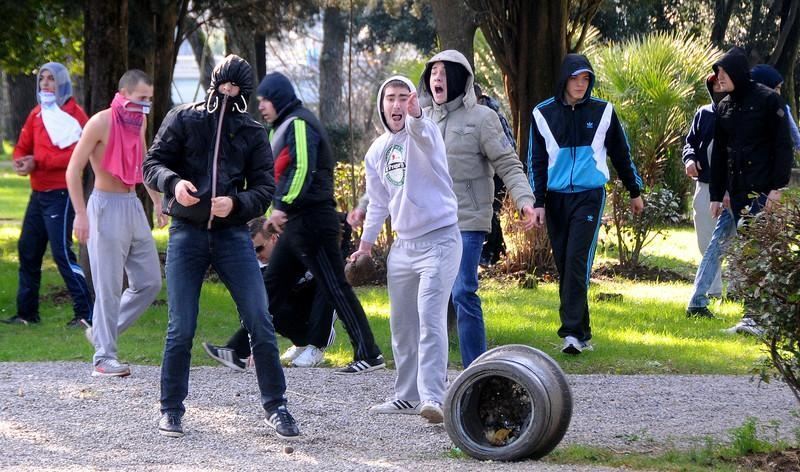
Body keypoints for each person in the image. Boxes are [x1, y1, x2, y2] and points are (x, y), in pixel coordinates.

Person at [143, 55, 300, 440]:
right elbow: (153, 163)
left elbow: (264, 188)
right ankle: (171, 409)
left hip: (232, 237)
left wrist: (237, 204)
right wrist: (174, 183)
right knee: (181, 326)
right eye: (223, 86)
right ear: (213, 84)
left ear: (245, 93)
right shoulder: (183, 118)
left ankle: (277, 407)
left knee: (259, 319)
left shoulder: (252, 131)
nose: (228, 94)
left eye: (236, 89)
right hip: (186, 233)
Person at [256, 71, 385, 374]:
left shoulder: (299, 122)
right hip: (297, 220)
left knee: (334, 288)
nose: (260, 106)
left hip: (312, 219)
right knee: (273, 284)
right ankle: (240, 347)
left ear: (278, 99)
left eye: (265, 100)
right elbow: (279, 173)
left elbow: (302, 168)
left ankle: (368, 352)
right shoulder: (281, 127)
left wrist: (282, 205)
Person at [351, 76, 461, 423]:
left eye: (404, 97)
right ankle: (406, 396)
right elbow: (379, 203)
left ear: (412, 102)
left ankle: (433, 397)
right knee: (402, 326)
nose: (397, 105)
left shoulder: (424, 132)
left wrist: (417, 117)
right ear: (382, 106)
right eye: (391, 99)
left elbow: (424, 136)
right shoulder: (376, 151)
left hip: (440, 240)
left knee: (431, 318)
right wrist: (365, 246)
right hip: (403, 247)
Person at [418, 50, 535, 368]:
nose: (437, 77)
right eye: (433, 72)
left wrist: (526, 201)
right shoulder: (422, 120)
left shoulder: (483, 118)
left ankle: (475, 371)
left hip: (467, 220)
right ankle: (430, 377)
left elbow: (509, 165)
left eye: (444, 71)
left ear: (460, 77)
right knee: (428, 299)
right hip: (430, 223)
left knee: (463, 290)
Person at [527, 54, 644, 354]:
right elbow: (536, 162)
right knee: (566, 263)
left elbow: (621, 153)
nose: (581, 84)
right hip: (554, 200)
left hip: (589, 196)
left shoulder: (604, 112)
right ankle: (583, 332)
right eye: (575, 78)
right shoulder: (542, 113)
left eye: (586, 79)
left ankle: (572, 334)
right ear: (564, 79)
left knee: (577, 261)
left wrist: (634, 190)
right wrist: (536, 202)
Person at [65, 70, 166, 377]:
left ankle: (100, 333)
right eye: (141, 98)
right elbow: (73, 170)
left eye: (149, 98)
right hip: (104, 207)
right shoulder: (100, 122)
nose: (146, 104)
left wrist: (158, 201)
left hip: (133, 205)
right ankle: (103, 357)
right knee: (108, 287)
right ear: (124, 94)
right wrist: (81, 214)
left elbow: (143, 162)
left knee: (150, 281)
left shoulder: (140, 122)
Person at [687, 48, 793, 332]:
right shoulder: (724, 107)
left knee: (754, 251)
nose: (717, 79)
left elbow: (783, 147)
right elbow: (720, 155)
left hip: (761, 192)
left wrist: (777, 188)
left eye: (722, 74)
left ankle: (755, 317)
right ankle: (697, 302)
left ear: (734, 72)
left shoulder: (769, 100)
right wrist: (716, 194)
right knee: (717, 245)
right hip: (733, 194)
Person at [4, 62, 93, 327]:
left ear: (62, 83)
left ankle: (85, 314)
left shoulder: (76, 116)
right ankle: (26, 315)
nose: (45, 83)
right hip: (38, 193)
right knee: (28, 250)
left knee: (62, 254)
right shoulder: (36, 114)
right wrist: (22, 162)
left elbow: (78, 155)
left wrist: (38, 160)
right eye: (42, 78)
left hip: (63, 194)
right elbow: (21, 148)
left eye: (51, 79)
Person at [202, 216, 337, 370]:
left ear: (273, 238)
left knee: (326, 284)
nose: (257, 255)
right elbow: (254, 304)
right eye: (251, 251)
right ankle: (237, 351)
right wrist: (255, 344)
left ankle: (317, 346)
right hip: (297, 305)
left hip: (322, 298)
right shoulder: (258, 266)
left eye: (259, 248)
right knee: (267, 304)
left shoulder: (301, 242)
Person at [682, 73, 728, 303]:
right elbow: (690, 142)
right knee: (706, 240)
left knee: (740, 241)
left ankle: (742, 290)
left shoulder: (742, 113)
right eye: (715, 82)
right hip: (705, 186)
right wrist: (689, 160)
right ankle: (713, 290)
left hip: (734, 190)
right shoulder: (704, 113)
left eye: (724, 80)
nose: (719, 85)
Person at [750, 64, 800, 151]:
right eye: (777, 88)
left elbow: (793, 132)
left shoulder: (780, 109)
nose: (779, 93)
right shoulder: (741, 107)